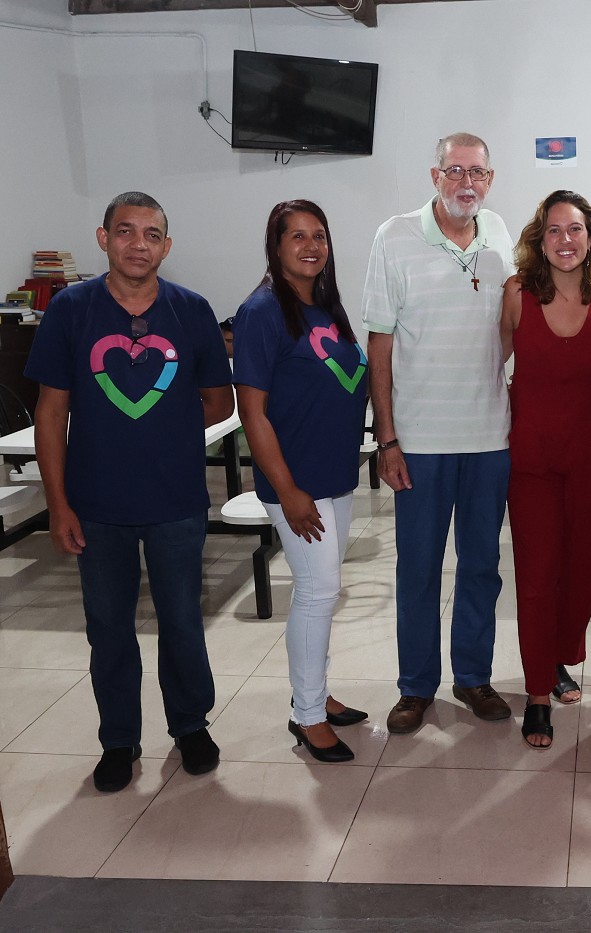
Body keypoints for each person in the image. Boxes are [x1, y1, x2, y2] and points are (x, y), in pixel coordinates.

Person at [27, 191, 233, 793]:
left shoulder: (192, 311)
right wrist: (58, 504)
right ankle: (118, 739)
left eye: (152, 234)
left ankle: (190, 725)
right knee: (108, 628)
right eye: (125, 231)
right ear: (103, 238)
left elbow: (219, 402)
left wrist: (161, 430)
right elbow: (50, 413)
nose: (138, 244)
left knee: (182, 622)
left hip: (175, 502)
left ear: (167, 246)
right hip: (96, 506)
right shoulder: (71, 310)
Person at [362, 132, 514, 735]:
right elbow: (379, 342)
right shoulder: (395, 236)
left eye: (477, 173)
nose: (466, 183)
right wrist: (387, 439)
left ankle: (473, 676)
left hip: (489, 437)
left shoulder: (500, 235)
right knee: (419, 569)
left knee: (481, 567)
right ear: (435, 176)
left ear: (490, 179)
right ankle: (415, 686)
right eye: (455, 171)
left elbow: (508, 325)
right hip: (420, 442)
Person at [233, 200, 371, 764]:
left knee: (324, 591)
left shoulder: (325, 307)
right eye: (297, 236)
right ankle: (308, 715)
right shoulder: (261, 311)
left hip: (335, 476)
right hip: (298, 484)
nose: (311, 246)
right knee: (316, 592)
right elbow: (252, 412)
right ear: (276, 245)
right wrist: (288, 491)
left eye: (320, 236)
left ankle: (316, 693)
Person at [500, 190, 591, 749]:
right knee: (536, 576)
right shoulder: (517, 293)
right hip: (530, 460)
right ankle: (536, 693)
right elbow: (490, 368)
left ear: (590, 238)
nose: (565, 240)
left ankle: (558, 657)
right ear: (540, 239)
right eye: (554, 230)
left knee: (580, 576)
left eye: (575, 229)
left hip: (590, 460)